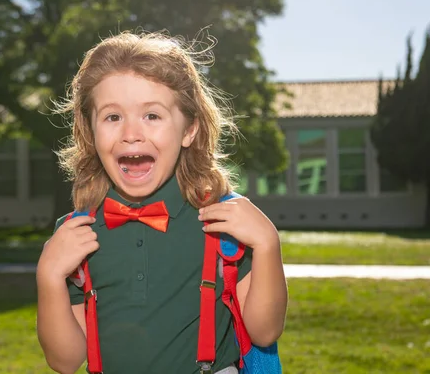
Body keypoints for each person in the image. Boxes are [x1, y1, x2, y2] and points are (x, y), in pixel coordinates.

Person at [36, 31, 288, 374]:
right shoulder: (76, 232)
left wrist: (268, 245)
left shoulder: (219, 221)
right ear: (90, 132)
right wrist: (49, 276)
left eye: (152, 116)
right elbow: (65, 362)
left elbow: (265, 331)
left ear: (189, 130)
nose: (131, 133)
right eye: (112, 117)